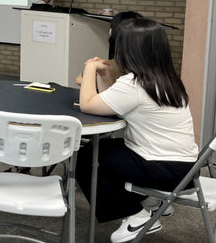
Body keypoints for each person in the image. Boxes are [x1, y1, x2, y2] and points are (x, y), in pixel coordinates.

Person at [77, 17, 198, 242]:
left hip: (164, 169)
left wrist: (90, 68)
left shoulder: (134, 83)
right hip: (184, 168)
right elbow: (109, 106)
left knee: (87, 159)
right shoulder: (165, 79)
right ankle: (150, 202)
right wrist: (104, 77)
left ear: (129, 50)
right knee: (100, 149)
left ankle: (136, 215)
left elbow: (87, 104)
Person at [75, 11, 144, 87]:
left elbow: (101, 92)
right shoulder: (147, 67)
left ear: (112, 32)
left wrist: (82, 80)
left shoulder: (110, 68)